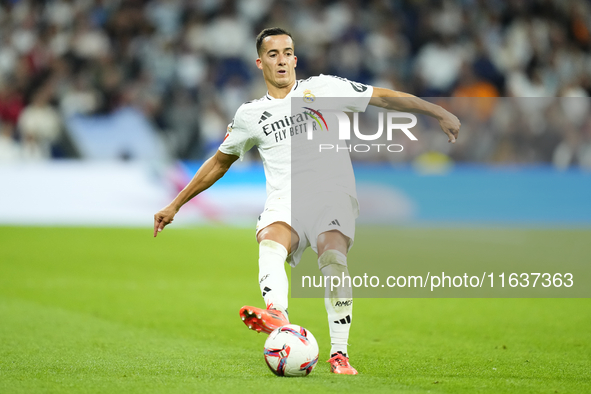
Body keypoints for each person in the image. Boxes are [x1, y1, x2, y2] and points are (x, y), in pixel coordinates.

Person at [154, 27, 460, 375]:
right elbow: (219, 163)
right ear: (260, 63)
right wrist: (175, 204)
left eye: (287, 52)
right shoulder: (250, 115)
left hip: (332, 194)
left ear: (295, 59)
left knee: (332, 256)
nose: (281, 59)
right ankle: (277, 314)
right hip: (285, 199)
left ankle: (339, 354)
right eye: (273, 54)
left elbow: (384, 98)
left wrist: (436, 111)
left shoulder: (325, 88)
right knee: (271, 238)